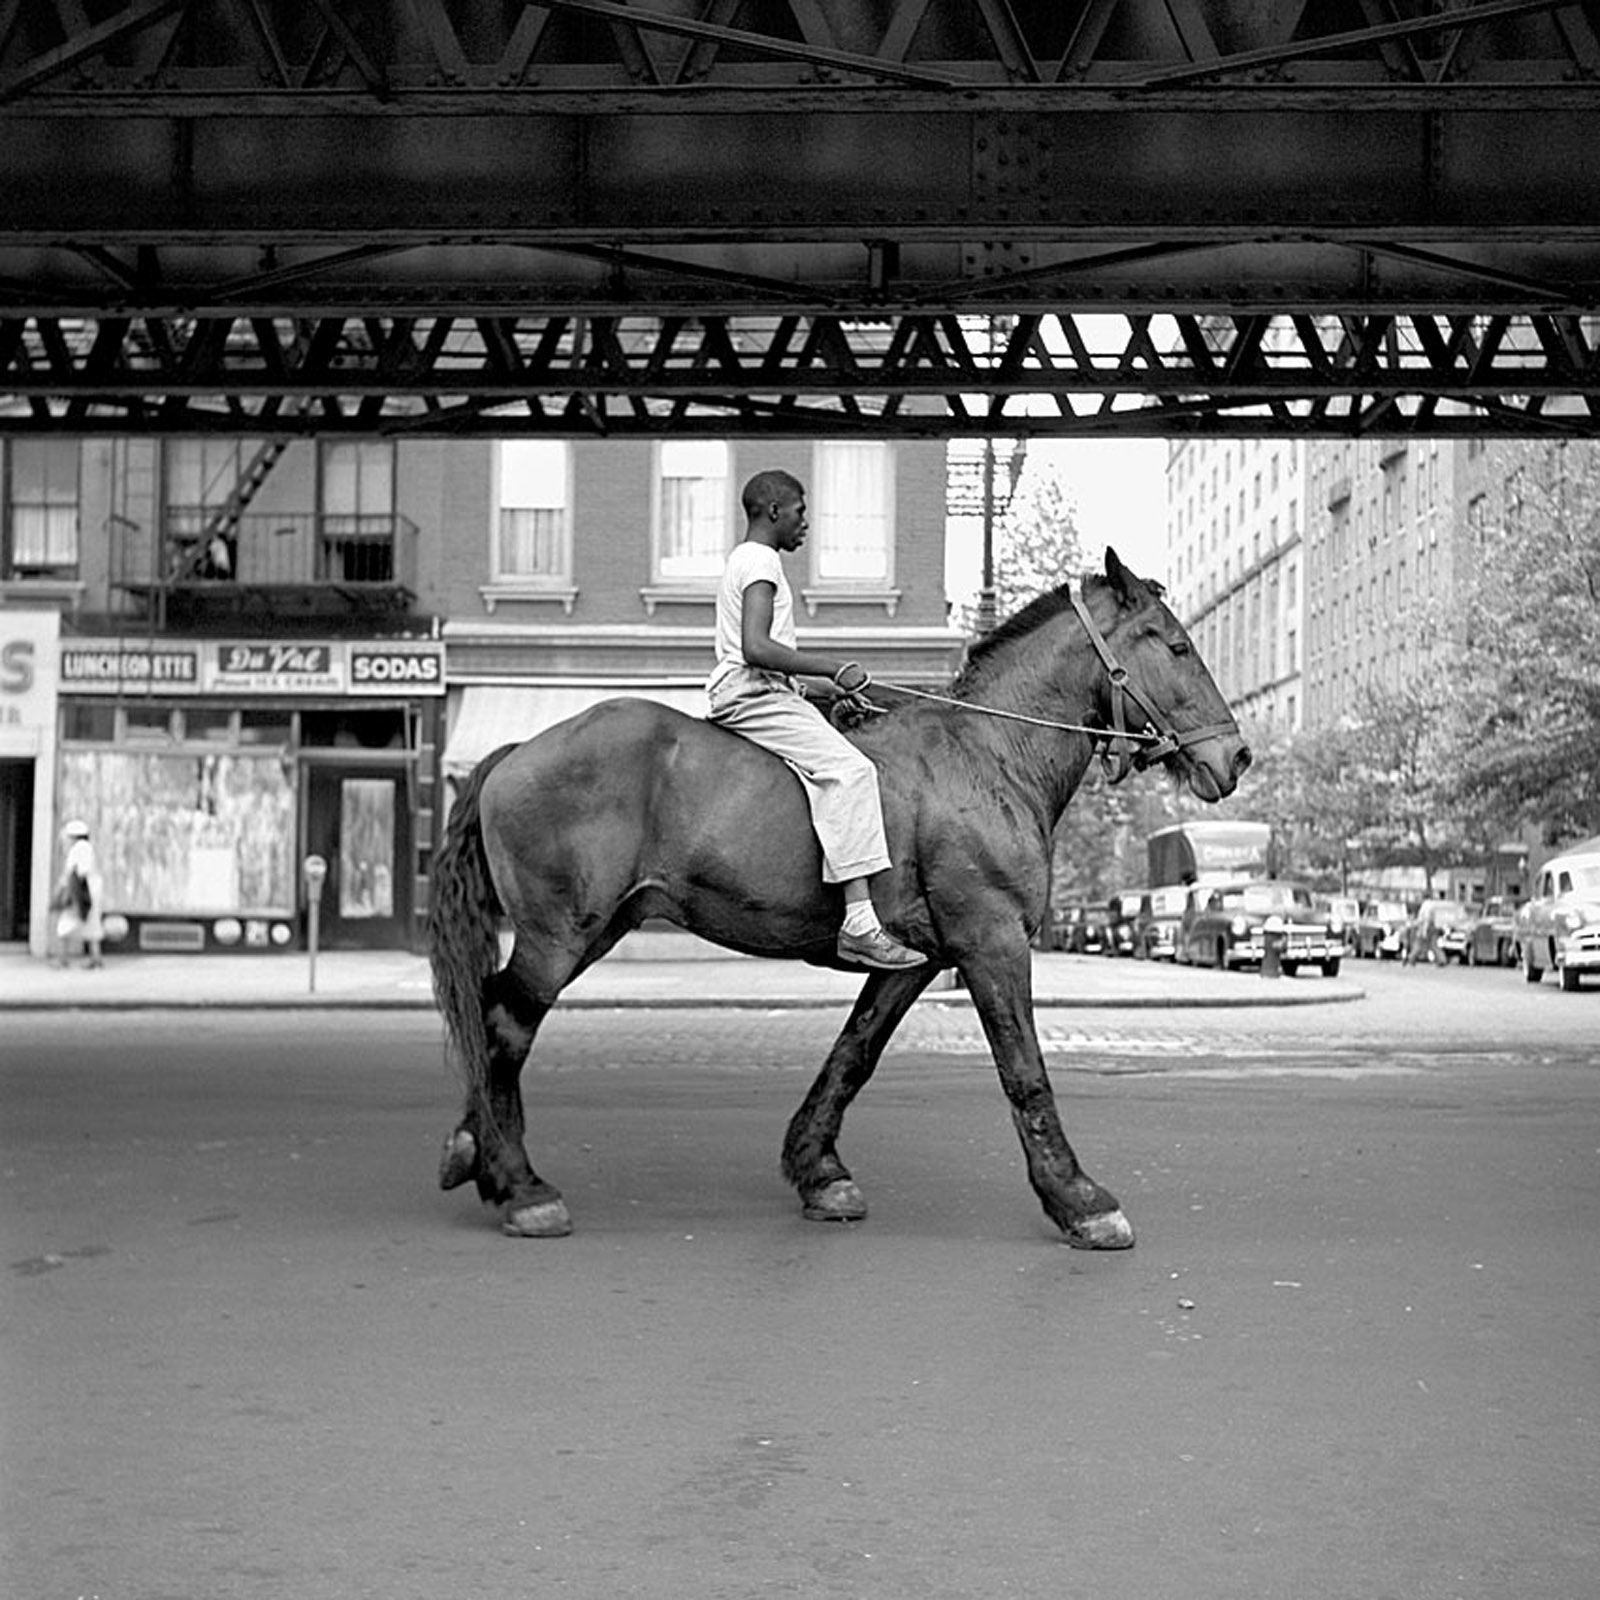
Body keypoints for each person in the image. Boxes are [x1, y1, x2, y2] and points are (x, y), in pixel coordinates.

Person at [706, 469, 925, 971]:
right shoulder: (761, 561)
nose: (806, 524)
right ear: (775, 511)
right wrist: (833, 666)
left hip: (759, 689)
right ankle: (860, 923)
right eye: (801, 512)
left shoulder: (746, 559)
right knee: (852, 772)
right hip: (751, 693)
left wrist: (828, 691)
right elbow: (756, 648)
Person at [51, 818, 104, 969]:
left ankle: (62, 959)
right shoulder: (86, 848)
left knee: (64, 925)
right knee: (92, 926)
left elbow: (77, 873)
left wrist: (65, 891)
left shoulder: (80, 848)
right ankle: (96, 959)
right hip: (90, 891)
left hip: (82, 893)